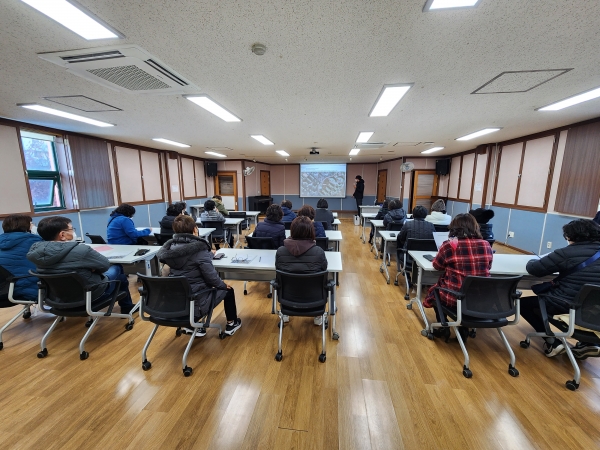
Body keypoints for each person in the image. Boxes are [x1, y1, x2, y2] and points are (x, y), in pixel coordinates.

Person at [520, 219, 600, 358]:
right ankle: (589, 344)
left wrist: (532, 261)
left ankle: (553, 343)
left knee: (523, 304)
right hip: (594, 309)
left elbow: (535, 269)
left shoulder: (567, 253)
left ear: (572, 236)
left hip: (565, 304)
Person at [27, 216, 135, 314]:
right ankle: (127, 307)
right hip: (90, 296)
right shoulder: (81, 250)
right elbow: (105, 266)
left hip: (57, 298)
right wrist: (92, 269)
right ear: (62, 235)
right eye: (71, 229)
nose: (74, 232)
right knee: (117, 269)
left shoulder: (36, 252)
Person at [157, 215, 241, 336]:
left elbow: (192, 258)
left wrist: (208, 254)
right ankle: (232, 323)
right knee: (228, 290)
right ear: (194, 229)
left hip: (178, 303)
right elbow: (211, 278)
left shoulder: (170, 249)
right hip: (197, 302)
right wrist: (222, 285)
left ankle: (192, 326)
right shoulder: (199, 250)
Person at [423, 214, 493, 341]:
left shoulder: (449, 245)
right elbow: (489, 266)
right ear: (475, 227)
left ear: (454, 228)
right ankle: (463, 329)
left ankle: (443, 327)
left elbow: (437, 266)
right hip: (481, 299)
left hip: (456, 298)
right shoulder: (486, 245)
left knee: (435, 291)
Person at [276, 216, 328, 325]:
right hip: (315, 302)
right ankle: (318, 318)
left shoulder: (280, 251)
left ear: (292, 230)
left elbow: (278, 271)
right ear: (311, 231)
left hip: (287, 301)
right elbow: (324, 270)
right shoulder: (319, 252)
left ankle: (285, 315)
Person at [0, 214, 42, 302]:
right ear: (27, 226)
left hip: (3, 290)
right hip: (25, 290)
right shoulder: (35, 241)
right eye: (31, 224)